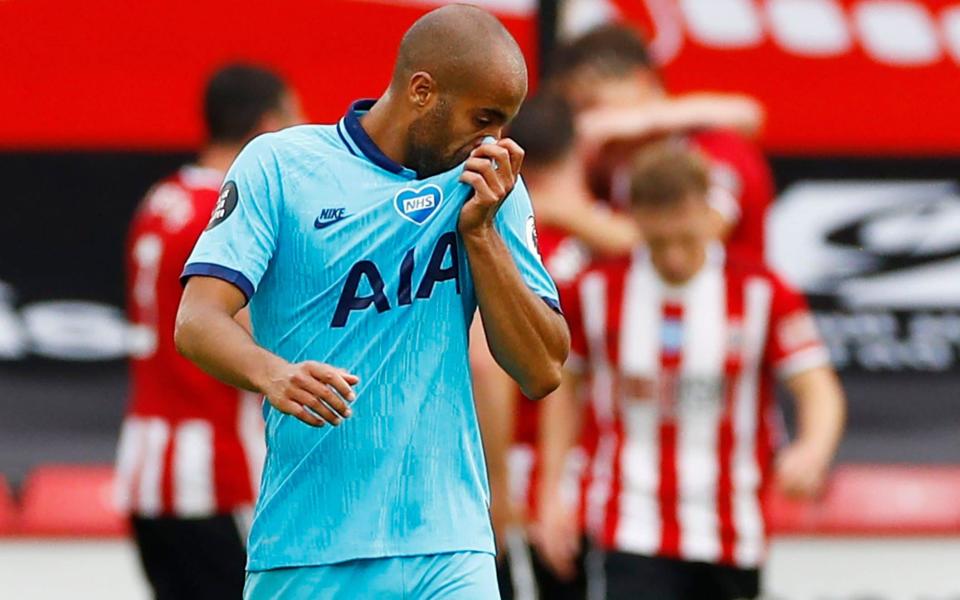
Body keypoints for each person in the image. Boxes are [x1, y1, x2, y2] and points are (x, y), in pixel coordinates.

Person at [174, 6, 569, 599]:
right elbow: (198, 318)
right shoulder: (281, 166)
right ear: (421, 90)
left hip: (449, 546)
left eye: (504, 124)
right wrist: (273, 373)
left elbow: (542, 369)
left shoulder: (490, 186)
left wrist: (481, 236)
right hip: (308, 547)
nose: (493, 141)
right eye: (482, 119)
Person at [537, 142, 845, 600]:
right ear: (634, 219)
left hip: (731, 526)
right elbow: (564, 392)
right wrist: (550, 495)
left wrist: (814, 449)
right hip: (629, 522)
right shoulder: (597, 290)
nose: (675, 257)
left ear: (708, 213)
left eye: (686, 239)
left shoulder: (761, 290)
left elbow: (817, 386)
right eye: (660, 243)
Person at [114, 64, 303, 599]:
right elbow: (251, 330)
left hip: (149, 465)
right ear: (269, 125)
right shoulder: (231, 210)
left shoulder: (162, 198)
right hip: (217, 469)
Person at [474, 91, 638, 600]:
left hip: (527, 469)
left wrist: (498, 486)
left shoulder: (501, 232)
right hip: (610, 481)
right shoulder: (625, 239)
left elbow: (486, 365)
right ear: (581, 151)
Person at [547, 24, 774, 263]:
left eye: (592, 103)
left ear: (640, 81)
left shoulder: (716, 146)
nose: (585, 122)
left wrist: (562, 211)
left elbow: (694, 237)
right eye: (577, 112)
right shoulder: (611, 169)